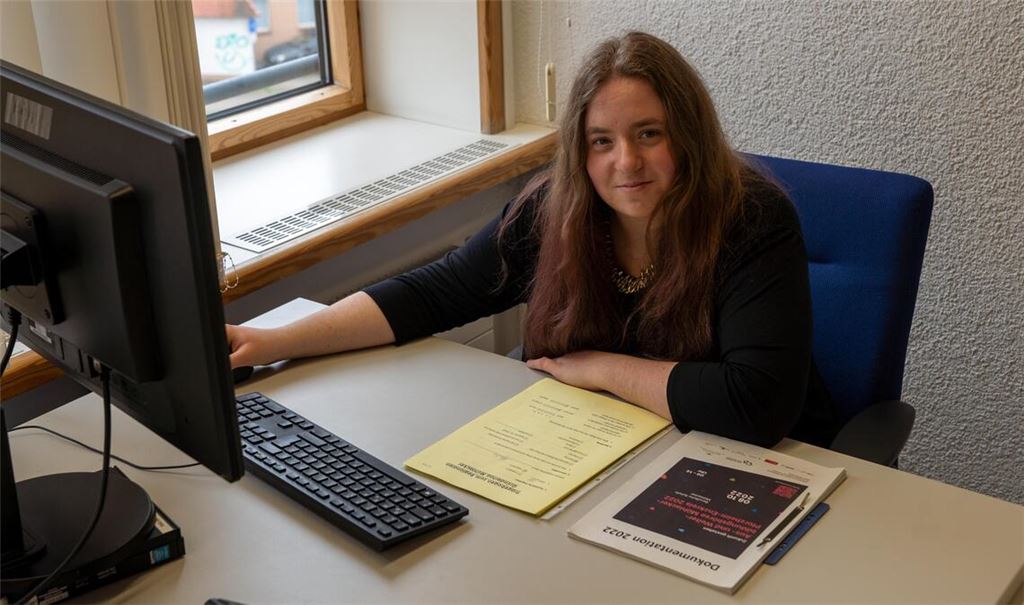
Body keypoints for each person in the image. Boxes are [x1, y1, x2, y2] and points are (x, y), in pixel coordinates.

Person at [227, 32, 840, 448]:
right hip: (598, 450)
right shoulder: (557, 208)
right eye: (602, 140)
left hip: (744, 467)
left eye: (649, 133)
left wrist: (599, 368)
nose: (626, 161)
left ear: (690, 135)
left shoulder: (751, 219)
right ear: (579, 148)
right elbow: (435, 291)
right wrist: (277, 340)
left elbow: (756, 404)